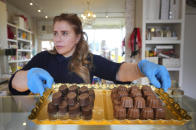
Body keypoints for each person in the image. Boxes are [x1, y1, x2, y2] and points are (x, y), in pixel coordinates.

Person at [9, 13, 171, 96]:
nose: (57, 39)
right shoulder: (43, 58)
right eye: (55, 33)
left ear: (77, 37)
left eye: (64, 33)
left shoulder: (89, 60)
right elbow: (13, 85)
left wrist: (141, 67)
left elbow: (118, 71)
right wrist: (26, 77)